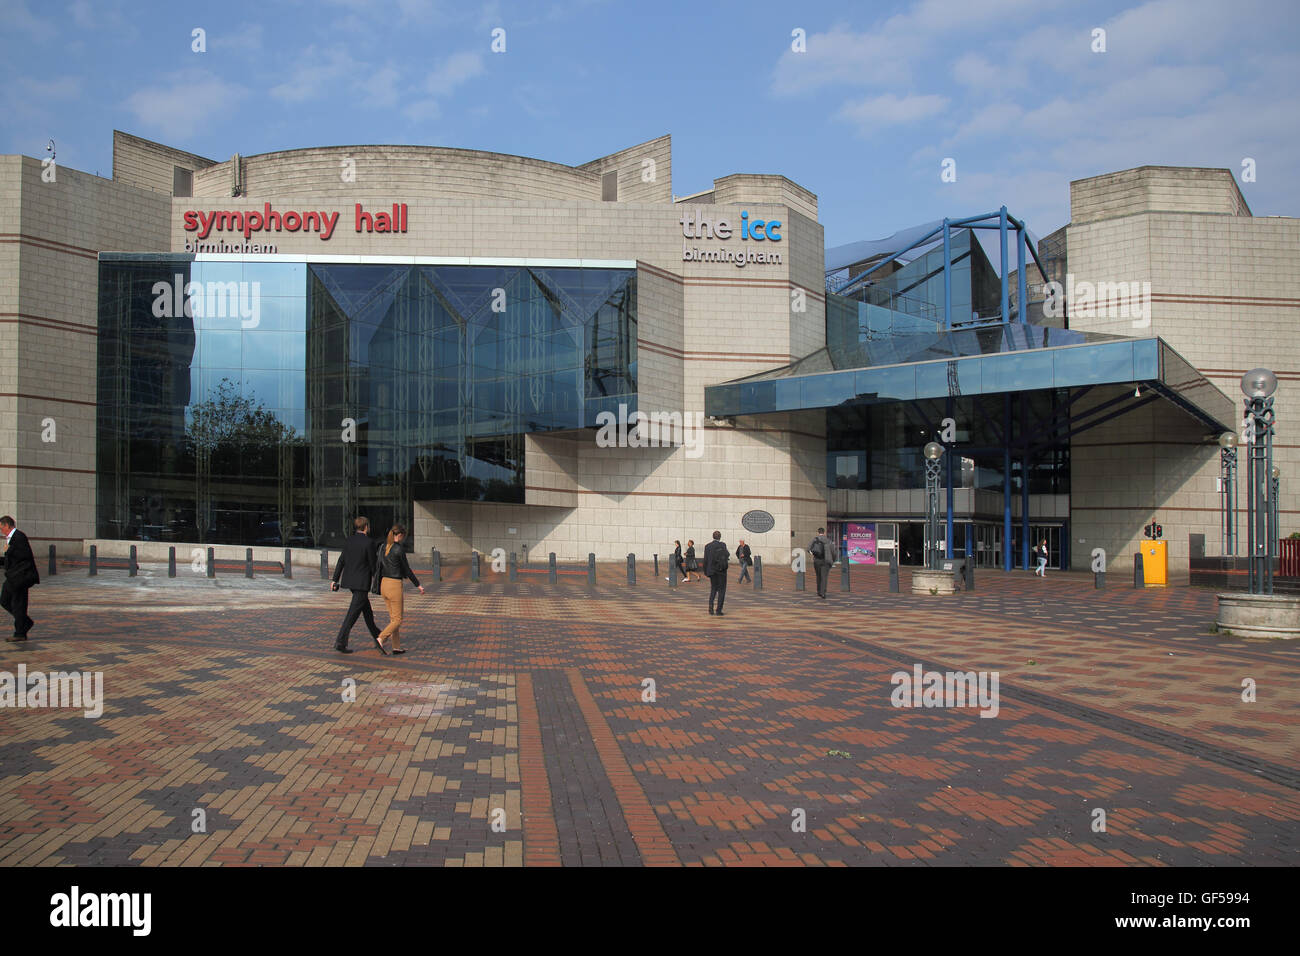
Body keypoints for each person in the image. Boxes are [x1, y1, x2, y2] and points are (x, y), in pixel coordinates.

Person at [331, 516, 385, 654]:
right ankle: (340, 642)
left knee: (367, 612)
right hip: (361, 583)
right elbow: (373, 565)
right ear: (366, 526)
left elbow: (341, 560)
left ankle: (378, 636)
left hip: (350, 581)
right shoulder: (369, 543)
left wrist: (335, 579)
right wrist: (379, 581)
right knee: (352, 614)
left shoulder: (349, 540)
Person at [375, 524, 424, 654]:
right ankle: (381, 638)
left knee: (393, 618)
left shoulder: (383, 547)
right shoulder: (398, 549)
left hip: (384, 584)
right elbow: (407, 569)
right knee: (398, 620)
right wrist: (418, 584)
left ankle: (396, 647)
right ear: (400, 535)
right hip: (394, 584)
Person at [0, 515, 38, 642]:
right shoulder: (12, 538)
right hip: (13, 576)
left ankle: (20, 632)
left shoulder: (19, 537)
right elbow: (10, 559)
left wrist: (8, 552)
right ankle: (25, 622)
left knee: (18, 604)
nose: (1, 531)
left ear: (7, 525)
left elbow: (24, 557)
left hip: (20, 577)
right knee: (4, 600)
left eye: (2, 528)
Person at [703, 530, 729, 616]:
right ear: (720, 537)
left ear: (713, 537)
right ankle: (719, 610)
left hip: (712, 571)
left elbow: (705, 560)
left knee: (713, 589)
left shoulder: (708, 546)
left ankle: (710, 607)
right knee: (722, 590)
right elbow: (726, 555)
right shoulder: (723, 545)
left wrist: (706, 571)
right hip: (721, 571)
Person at [809, 526, 839, 599]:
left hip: (817, 561)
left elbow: (808, 549)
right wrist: (833, 560)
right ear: (824, 532)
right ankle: (823, 592)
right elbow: (834, 552)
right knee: (824, 577)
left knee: (818, 576)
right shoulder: (828, 541)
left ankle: (819, 591)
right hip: (826, 561)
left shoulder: (814, 540)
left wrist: (814, 554)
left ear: (818, 532)